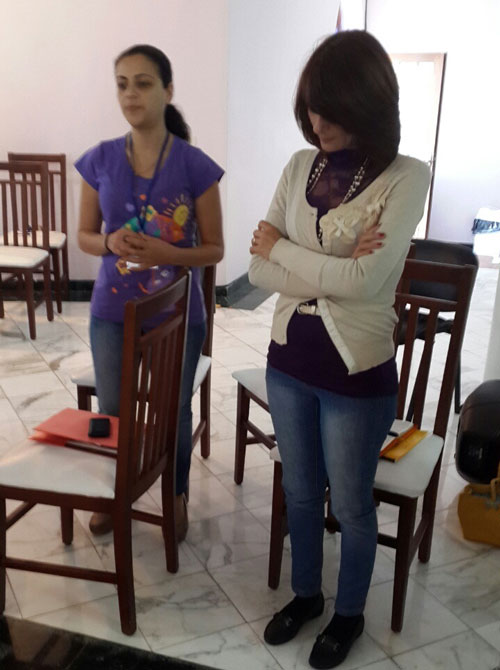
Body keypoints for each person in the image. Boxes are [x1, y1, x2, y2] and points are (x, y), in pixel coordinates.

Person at [249, 31, 430, 669]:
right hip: (288, 364)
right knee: (301, 492)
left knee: (351, 506)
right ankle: (307, 595)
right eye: (311, 107)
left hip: (356, 377)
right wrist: (333, 268)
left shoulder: (407, 176)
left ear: (368, 101)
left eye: (332, 107)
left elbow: (367, 283)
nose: (318, 121)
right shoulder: (300, 165)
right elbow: (257, 270)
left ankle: (348, 613)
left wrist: (284, 250)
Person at [76, 44, 224, 541]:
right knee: (112, 408)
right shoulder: (99, 159)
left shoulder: (195, 165)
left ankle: (175, 492)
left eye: (142, 83)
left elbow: (215, 249)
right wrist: (108, 242)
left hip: (177, 314)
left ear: (168, 90)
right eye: (122, 84)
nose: (131, 94)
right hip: (111, 311)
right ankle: (111, 492)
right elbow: (84, 236)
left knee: (171, 411)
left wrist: (167, 252)